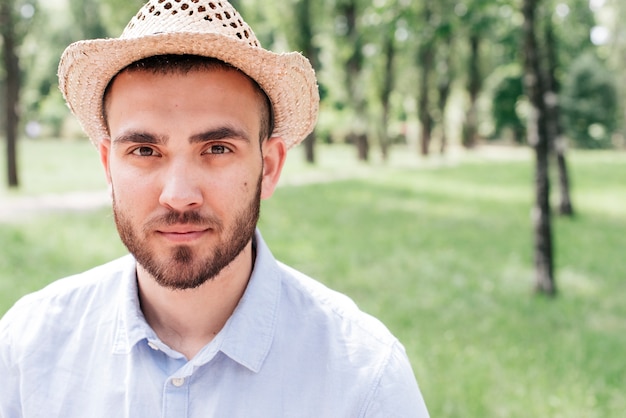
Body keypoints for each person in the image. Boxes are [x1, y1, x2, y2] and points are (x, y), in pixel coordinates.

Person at [0, 1, 429, 416]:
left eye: (217, 148)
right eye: (145, 150)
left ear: (270, 168)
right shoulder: (28, 349)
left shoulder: (364, 378)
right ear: (107, 165)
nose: (179, 194)